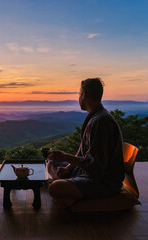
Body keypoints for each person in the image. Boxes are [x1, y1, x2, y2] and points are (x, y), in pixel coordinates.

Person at [46, 78, 124, 207]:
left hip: (103, 181)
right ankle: (70, 189)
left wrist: (65, 156)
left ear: (84, 95)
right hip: (86, 172)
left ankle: (67, 188)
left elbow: (96, 167)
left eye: (78, 94)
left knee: (55, 188)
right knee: (51, 164)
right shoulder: (95, 117)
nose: (78, 98)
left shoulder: (101, 122)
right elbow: (83, 152)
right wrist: (68, 167)